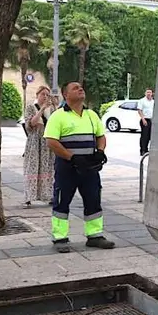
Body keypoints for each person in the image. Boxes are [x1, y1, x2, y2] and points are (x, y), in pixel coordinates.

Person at [44, 82, 115, 253]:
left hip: (90, 168)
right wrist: (72, 157)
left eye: (82, 87)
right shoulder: (58, 116)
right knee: (62, 201)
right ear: (65, 95)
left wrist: (100, 151)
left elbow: (101, 136)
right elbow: (51, 141)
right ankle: (60, 238)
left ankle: (95, 236)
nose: (81, 89)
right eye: (75, 88)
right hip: (67, 168)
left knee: (93, 199)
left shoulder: (91, 115)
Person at [22, 85, 57, 207]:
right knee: (33, 166)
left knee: (47, 167)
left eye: (47, 95)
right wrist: (41, 109)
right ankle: (29, 196)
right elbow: (30, 123)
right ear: (37, 95)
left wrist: (55, 106)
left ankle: (48, 195)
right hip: (35, 142)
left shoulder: (51, 109)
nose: (45, 97)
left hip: (47, 142)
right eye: (43, 94)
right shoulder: (31, 107)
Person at [137, 88, 155, 156]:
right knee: (144, 136)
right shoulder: (142, 101)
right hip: (145, 120)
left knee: (149, 136)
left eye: (150, 92)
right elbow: (139, 110)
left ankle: (147, 149)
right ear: (145, 93)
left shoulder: (153, 101)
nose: (149, 94)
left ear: (152, 93)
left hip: (151, 120)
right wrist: (143, 119)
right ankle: (142, 150)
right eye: (147, 92)